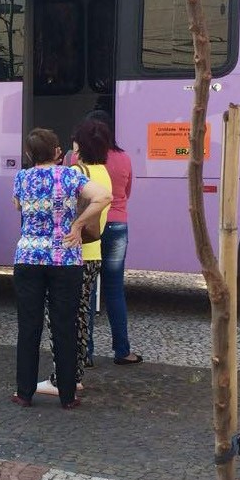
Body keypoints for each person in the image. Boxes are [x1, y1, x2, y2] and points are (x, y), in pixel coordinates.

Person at [11, 128, 111, 409]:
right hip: (65, 259)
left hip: (28, 257)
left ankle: (24, 392)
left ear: (29, 154)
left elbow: (17, 205)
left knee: (28, 326)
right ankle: (67, 395)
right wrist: (77, 225)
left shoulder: (22, 177)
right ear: (58, 152)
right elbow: (103, 197)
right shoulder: (70, 175)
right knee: (64, 324)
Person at [37, 118, 112, 396]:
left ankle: (62, 378)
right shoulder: (103, 172)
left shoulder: (76, 172)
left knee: (61, 316)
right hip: (94, 254)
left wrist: (76, 225)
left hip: (72, 253)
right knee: (80, 316)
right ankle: (74, 374)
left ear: (79, 144)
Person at [86, 110, 142, 365]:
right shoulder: (125, 158)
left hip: (89, 227)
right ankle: (122, 350)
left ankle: (84, 352)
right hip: (117, 225)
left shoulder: (78, 158)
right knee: (114, 289)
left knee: (86, 290)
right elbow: (127, 192)